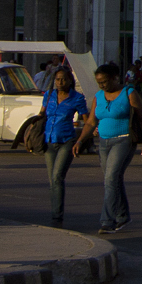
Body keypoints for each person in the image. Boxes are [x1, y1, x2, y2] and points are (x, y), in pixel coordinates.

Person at [76, 63, 142, 235]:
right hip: (104, 142)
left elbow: (141, 118)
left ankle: (107, 221)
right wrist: (79, 141)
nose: (102, 85)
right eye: (99, 82)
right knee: (113, 180)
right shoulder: (98, 97)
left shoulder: (128, 93)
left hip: (123, 141)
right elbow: (91, 122)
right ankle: (123, 216)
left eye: (105, 81)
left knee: (110, 179)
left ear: (115, 78)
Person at [41, 68, 88, 227]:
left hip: (66, 140)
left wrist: (81, 140)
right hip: (48, 140)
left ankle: (57, 217)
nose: (60, 83)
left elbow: (86, 121)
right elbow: (41, 115)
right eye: (57, 79)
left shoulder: (77, 98)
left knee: (57, 177)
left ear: (70, 81)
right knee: (52, 181)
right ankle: (55, 212)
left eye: (63, 79)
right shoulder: (48, 96)